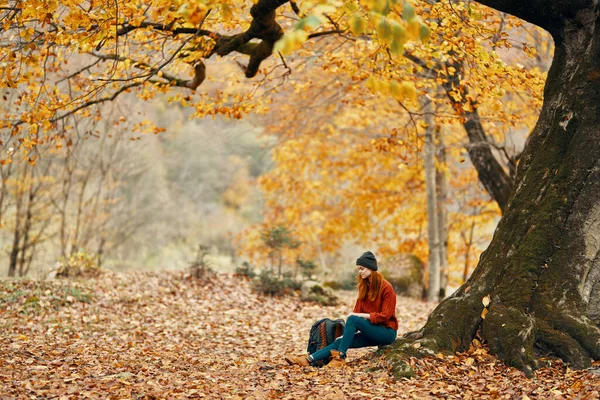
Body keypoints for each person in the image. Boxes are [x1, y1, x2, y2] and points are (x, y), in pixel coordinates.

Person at [285, 251, 398, 368]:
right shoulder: (364, 287)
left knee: (353, 319)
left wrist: (362, 316)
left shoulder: (386, 287)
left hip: (386, 333)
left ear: (371, 268)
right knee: (340, 342)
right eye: (359, 269)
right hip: (370, 332)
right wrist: (346, 335)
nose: (360, 272)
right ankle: (308, 359)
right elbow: (357, 312)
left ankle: (340, 357)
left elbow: (385, 315)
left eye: (362, 268)